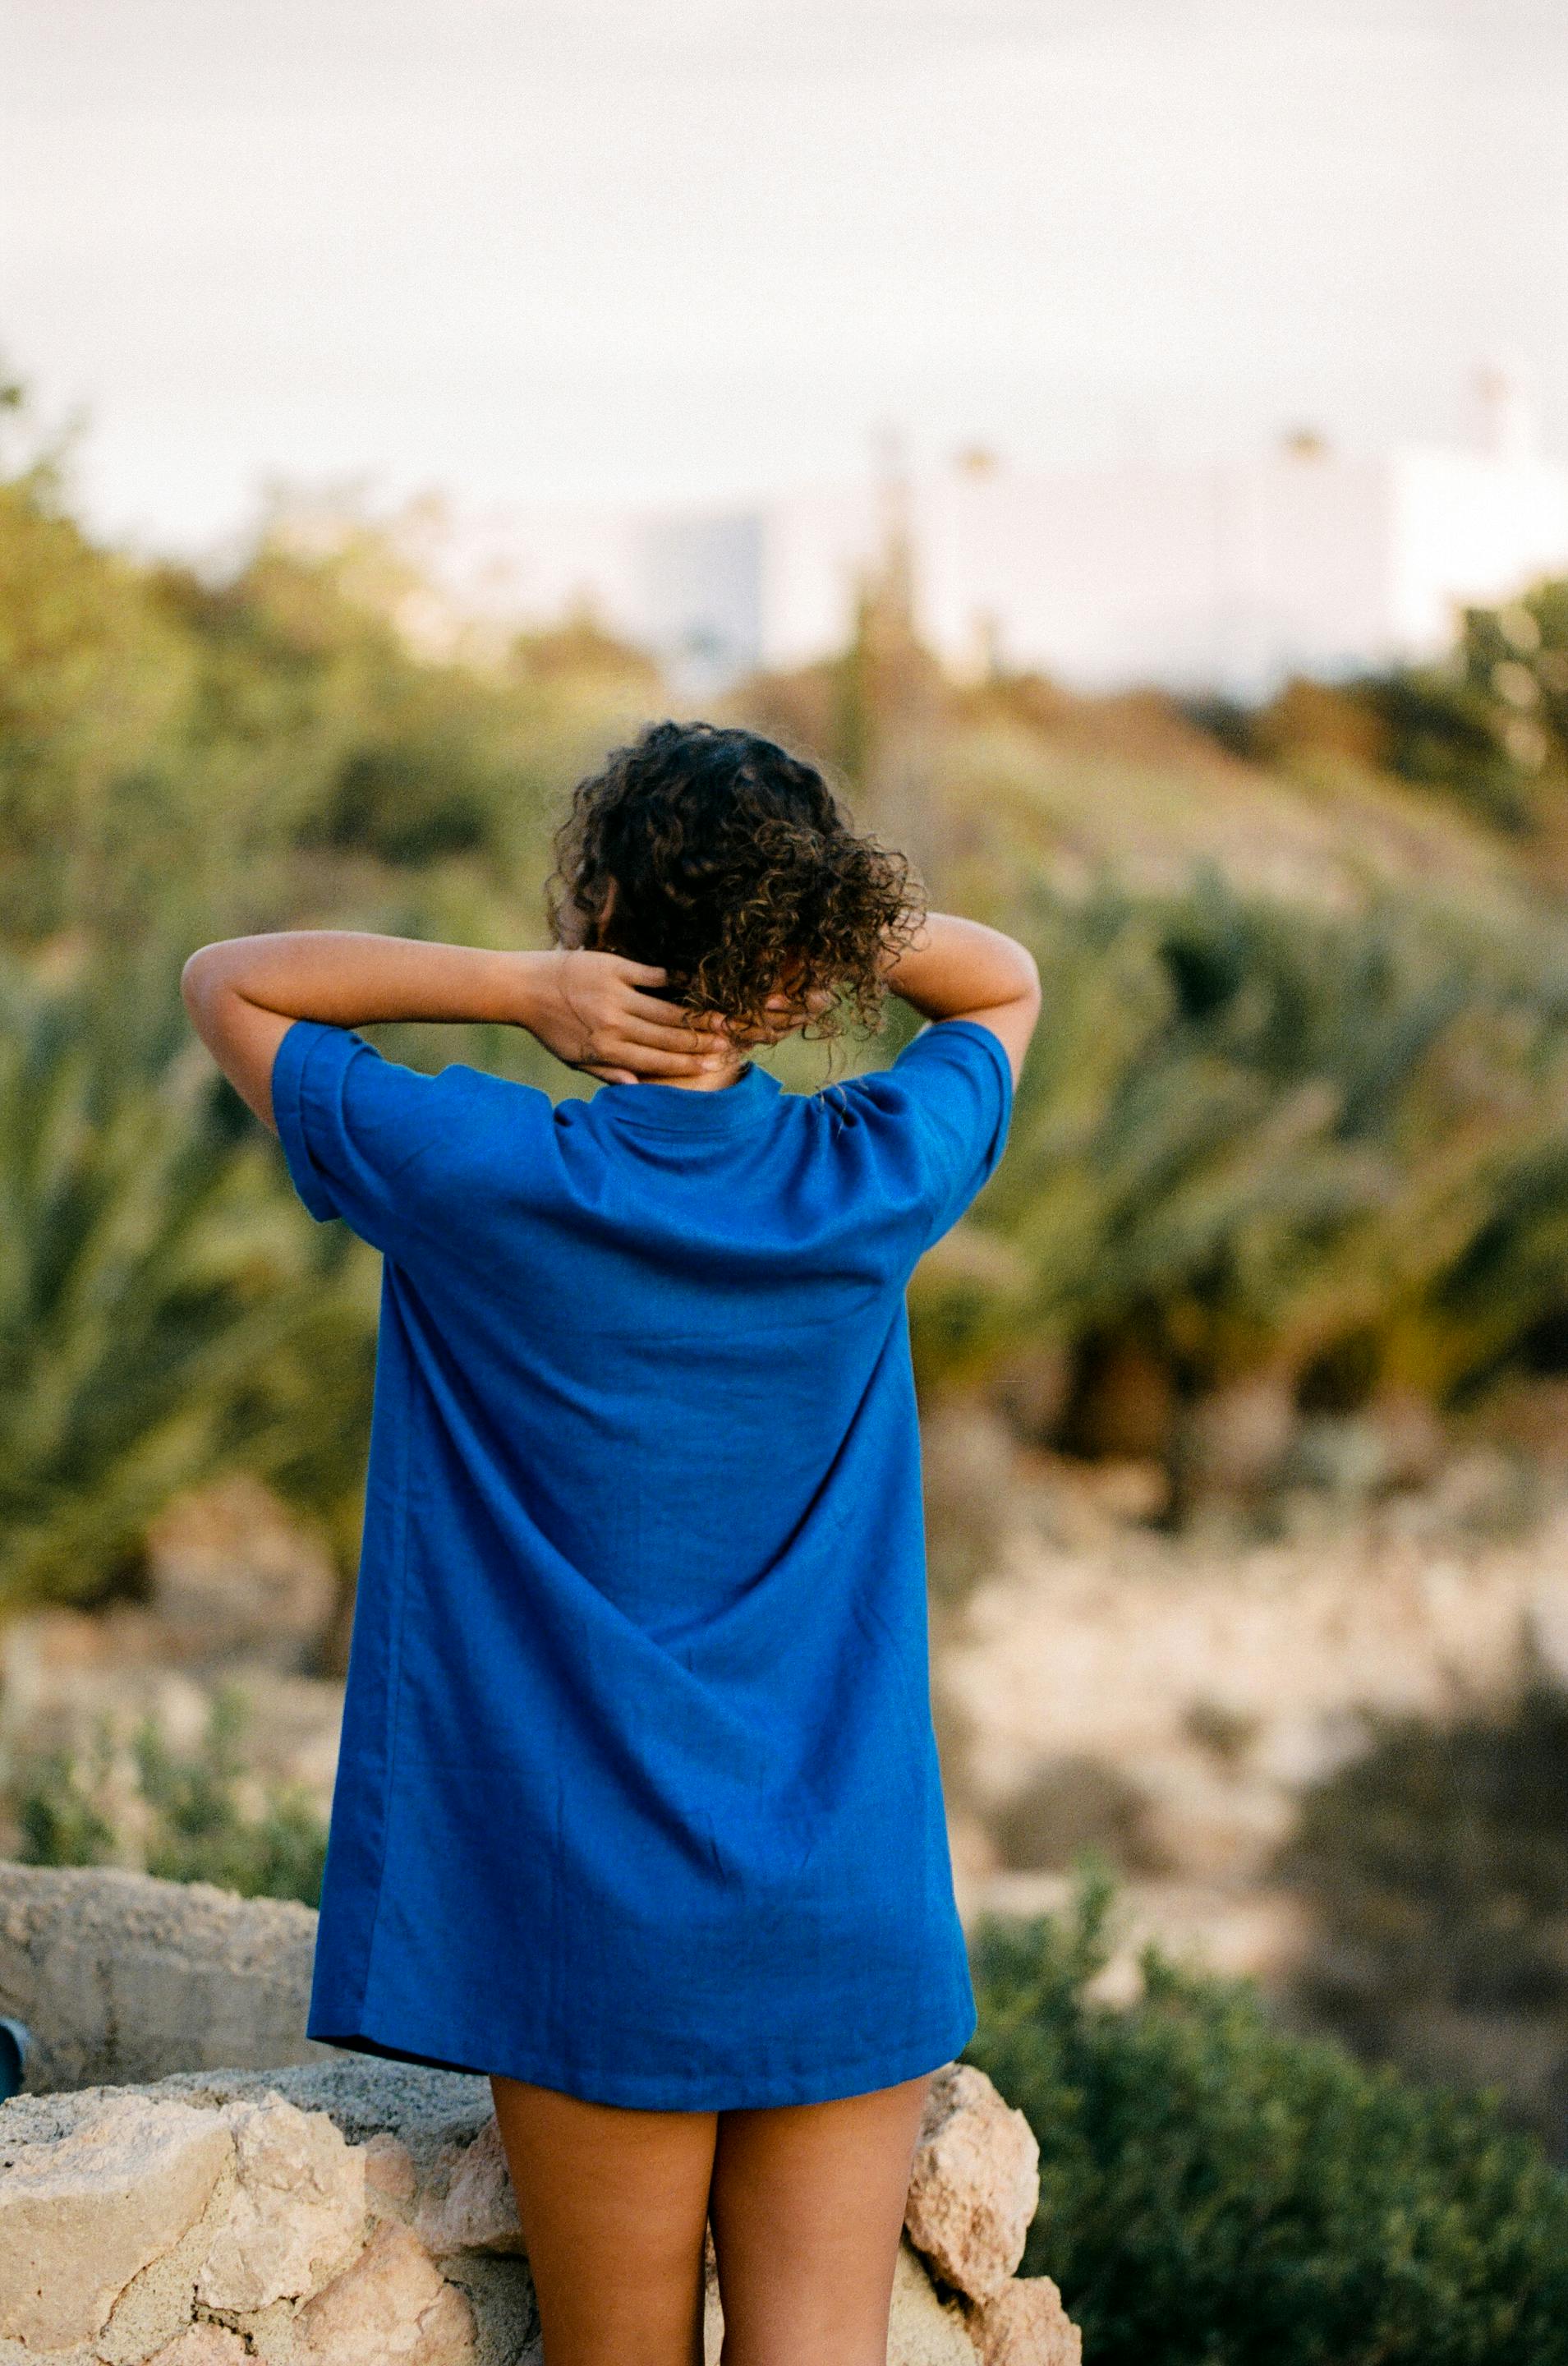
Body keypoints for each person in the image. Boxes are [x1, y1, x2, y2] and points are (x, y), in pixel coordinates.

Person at [182, 719, 1040, 2366]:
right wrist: (805, 937)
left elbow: (232, 981)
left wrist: (519, 987)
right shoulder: (868, 1175)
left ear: (592, 913)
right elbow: (999, 983)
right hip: (844, 1896)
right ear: (799, 960)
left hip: (597, 1910)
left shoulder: (472, 1168)